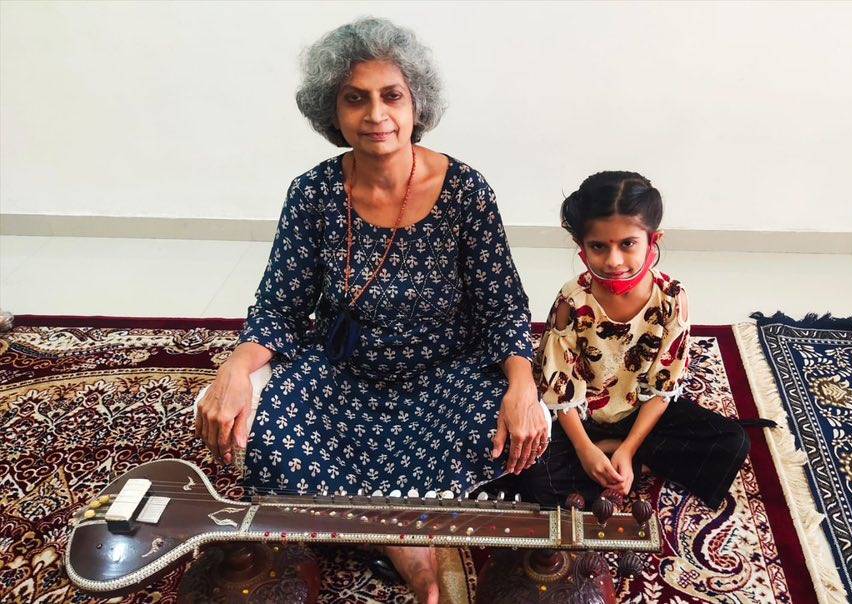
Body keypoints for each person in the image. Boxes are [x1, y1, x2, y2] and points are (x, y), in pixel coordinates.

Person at [194, 17, 548, 604]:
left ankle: (367, 521)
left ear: (417, 103)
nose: (375, 114)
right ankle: (406, 537)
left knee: (512, 421)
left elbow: (503, 306)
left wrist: (522, 386)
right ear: (331, 111)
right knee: (251, 423)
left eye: (392, 96)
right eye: (355, 98)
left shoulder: (466, 190)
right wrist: (233, 369)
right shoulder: (312, 193)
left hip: (445, 377)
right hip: (343, 375)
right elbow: (280, 308)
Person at [523, 171, 751, 510]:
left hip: (639, 412)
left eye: (627, 244)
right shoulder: (573, 300)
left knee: (732, 442)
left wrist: (628, 448)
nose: (613, 261)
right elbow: (559, 387)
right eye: (598, 246)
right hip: (580, 418)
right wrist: (586, 451)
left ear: (653, 240)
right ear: (581, 247)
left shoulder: (671, 298)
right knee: (531, 470)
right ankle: (617, 460)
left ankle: (621, 456)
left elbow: (663, 386)